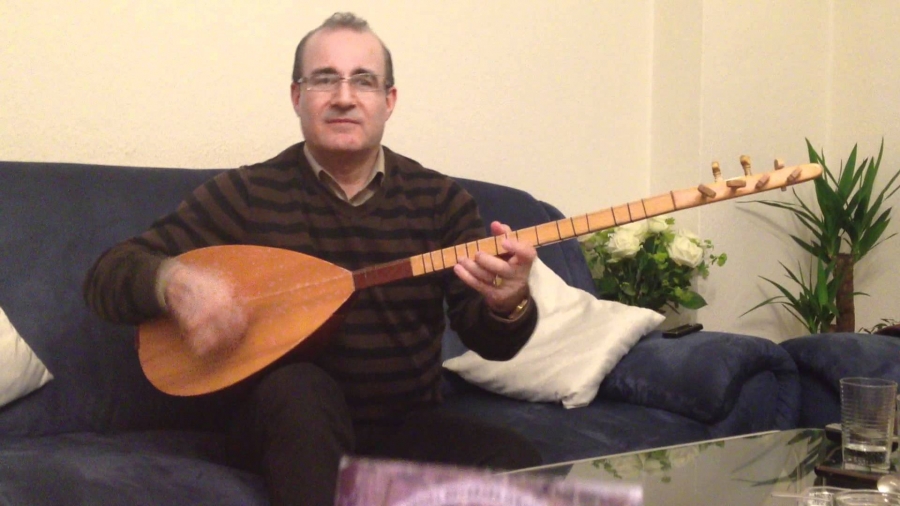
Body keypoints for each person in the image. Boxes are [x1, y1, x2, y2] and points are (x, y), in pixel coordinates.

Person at [84, 12, 542, 506]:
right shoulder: (246, 194)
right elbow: (109, 274)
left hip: (405, 427)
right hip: (284, 424)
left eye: (363, 81)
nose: (344, 97)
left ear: (388, 101)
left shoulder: (440, 201)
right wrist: (175, 282)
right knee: (300, 388)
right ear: (296, 96)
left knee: (517, 462)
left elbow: (489, 341)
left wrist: (509, 304)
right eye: (325, 79)